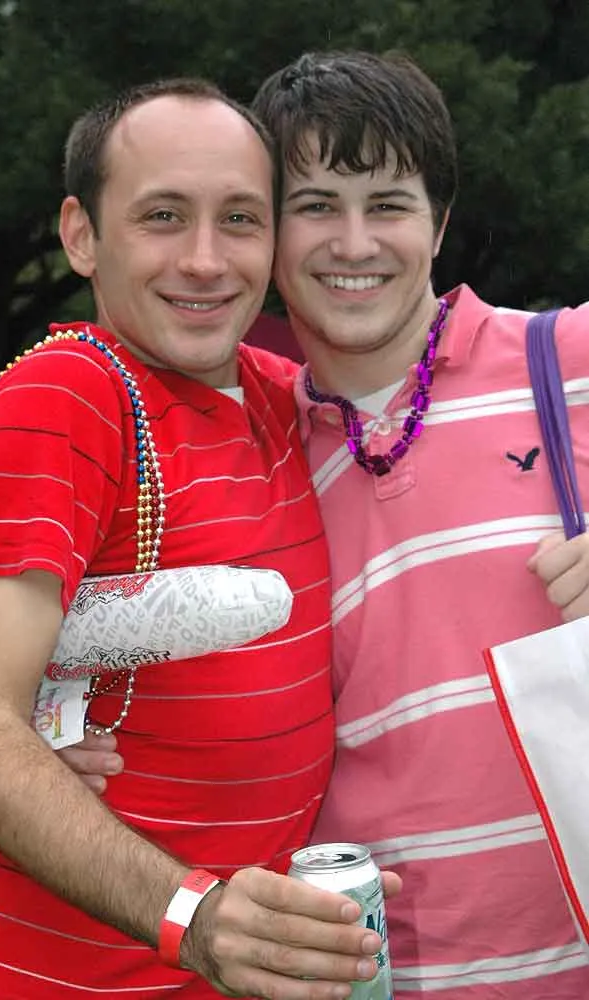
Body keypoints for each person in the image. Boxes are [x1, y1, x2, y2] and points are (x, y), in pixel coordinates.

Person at [66, 50, 589, 997]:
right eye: (314, 206)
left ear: (438, 224)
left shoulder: (567, 361)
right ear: (269, 233)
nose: (353, 244)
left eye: (387, 204)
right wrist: (58, 715)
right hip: (358, 969)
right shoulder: (255, 439)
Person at [0, 78, 397, 1000]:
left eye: (240, 219)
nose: (206, 260)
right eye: (163, 216)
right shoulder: (64, 396)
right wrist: (194, 918)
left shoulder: (284, 398)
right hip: (45, 979)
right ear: (81, 235)